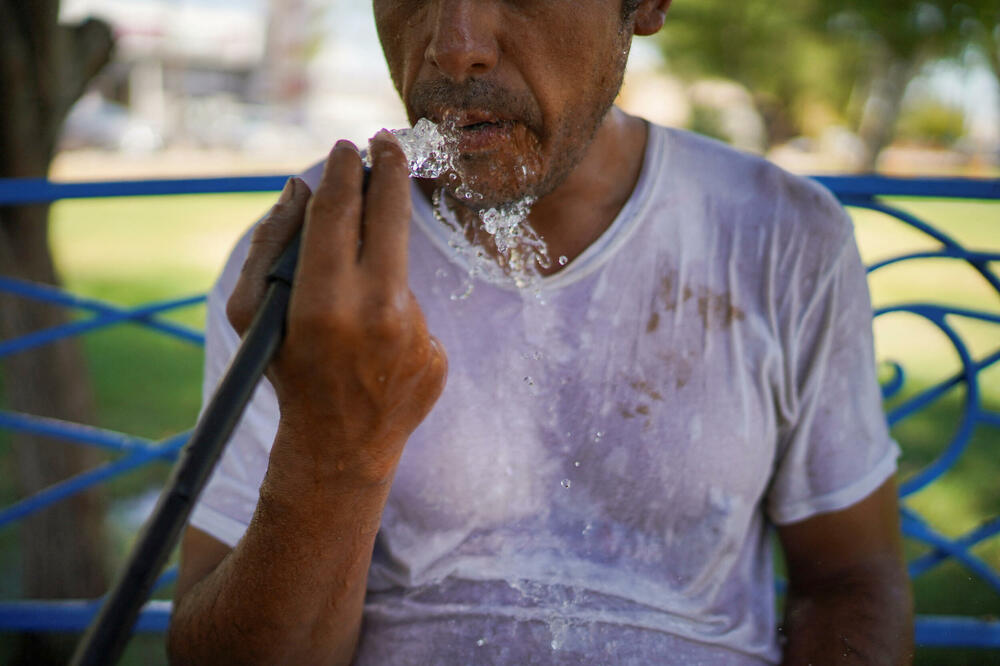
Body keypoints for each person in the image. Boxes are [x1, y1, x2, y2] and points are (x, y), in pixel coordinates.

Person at [167, 0, 913, 663]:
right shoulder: (311, 269)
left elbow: (852, 579)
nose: (455, 45)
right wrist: (330, 452)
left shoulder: (780, 232)